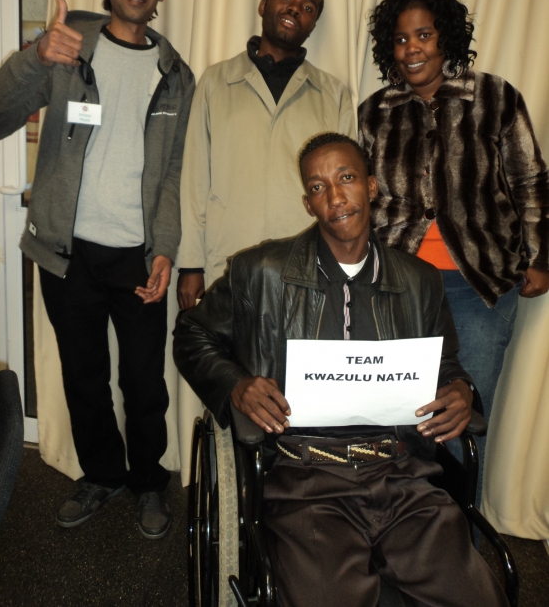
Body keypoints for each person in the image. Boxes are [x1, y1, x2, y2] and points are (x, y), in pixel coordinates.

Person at [174, 133, 508, 607]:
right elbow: (191, 334)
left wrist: (459, 389)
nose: (334, 197)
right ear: (308, 204)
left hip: (402, 472)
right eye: (317, 186)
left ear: (371, 187)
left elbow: (445, 366)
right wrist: (236, 385)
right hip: (304, 479)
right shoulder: (260, 271)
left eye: (346, 178)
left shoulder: (419, 282)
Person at [0, 0, 195, 538]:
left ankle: (147, 484)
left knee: (143, 383)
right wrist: (35, 55)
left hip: (136, 257)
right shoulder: (67, 47)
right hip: (66, 254)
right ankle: (101, 476)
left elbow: (169, 176)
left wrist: (165, 249)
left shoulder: (175, 75)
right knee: (83, 376)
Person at [357, 0, 549, 504]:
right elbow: (365, 200)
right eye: (400, 39)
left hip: (480, 288)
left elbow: (529, 180)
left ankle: (458, 551)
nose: (411, 48)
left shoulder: (495, 97)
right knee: (397, 423)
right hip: (397, 287)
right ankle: (402, 541)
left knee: (458, 421)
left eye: (423, 35)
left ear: (447, 39)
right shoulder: (375, 112)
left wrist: (539, 256)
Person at [177, 0, 355, 310]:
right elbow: (194, 180)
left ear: (313, 25)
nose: (294, 9)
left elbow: (346, 194)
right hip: (224, 264)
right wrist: (190, 264)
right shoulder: (215, 82)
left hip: (306, 271)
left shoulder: (333, 95)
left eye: (308, 7)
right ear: (263, 5)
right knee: (225, 362)